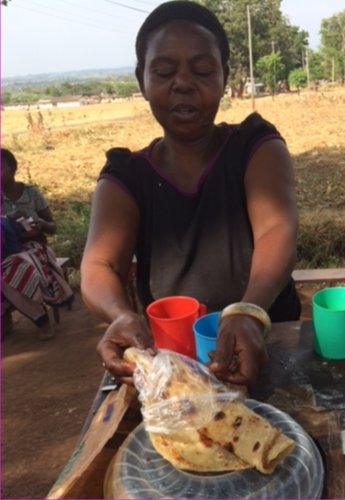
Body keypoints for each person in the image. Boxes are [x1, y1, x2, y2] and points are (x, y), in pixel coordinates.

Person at [81, 1, 300, 386]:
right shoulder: (126, 175)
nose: (183, 83)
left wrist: (247, 313)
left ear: (224, 76)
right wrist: (119, 313)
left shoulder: (255, 146)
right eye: (164, 71)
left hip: (266, 342)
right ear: (141, 79)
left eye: (201, 70)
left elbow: (276, 229)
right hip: (175, 363)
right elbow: (99, 266)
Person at [1, 148, 73, 340]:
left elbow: (53, 228)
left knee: (20, 268)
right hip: (5, 250)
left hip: (35, 247)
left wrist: (40, 224)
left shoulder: (31, 194)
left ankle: (41, 320)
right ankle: (7, 315)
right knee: (8, 268)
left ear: (13, 168)